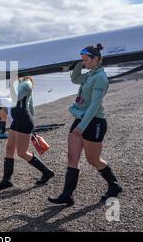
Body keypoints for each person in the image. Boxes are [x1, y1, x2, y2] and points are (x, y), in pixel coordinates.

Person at [48, 44, 122, 206]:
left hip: (94, 121)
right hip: (81, 119)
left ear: (96, 59)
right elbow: (75, 79)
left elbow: (95, 105)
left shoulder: (100, 78)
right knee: (72, 157)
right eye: (83, 60)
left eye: (86, 60)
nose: (84, 63)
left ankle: (114, 185)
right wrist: (78, 66)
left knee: (93, 159)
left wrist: (81, 127)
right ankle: (67, 195)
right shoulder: (89, 74)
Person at [0, 76, 55, 190]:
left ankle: (47, 172)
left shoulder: (27, 84)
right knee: (9, 148)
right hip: (18, 120)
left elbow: (15, 99)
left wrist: (1, 100)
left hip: (24, 120)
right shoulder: (19, 83)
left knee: (22, 152)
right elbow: (31, 107)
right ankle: (6, 180)